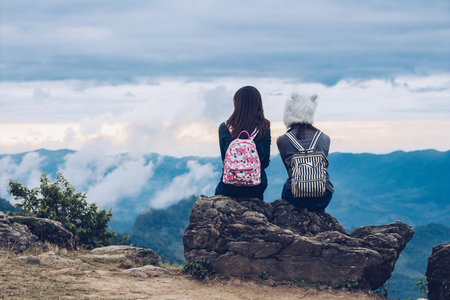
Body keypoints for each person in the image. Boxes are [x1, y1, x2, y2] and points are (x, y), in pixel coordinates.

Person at [276, 93, 334, 211]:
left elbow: (289, 170)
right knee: (319, 188)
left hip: (295, 196)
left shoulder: (283, 140)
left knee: (288, 184)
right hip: (323, 197)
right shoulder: (324, 138)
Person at [214, 86, 271, 200]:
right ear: (258, 103)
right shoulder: (264, 127)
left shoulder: (224, 128)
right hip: (256, 187)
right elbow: (265, 162)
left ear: (236, 103)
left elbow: (224, 159)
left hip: (229, 186)